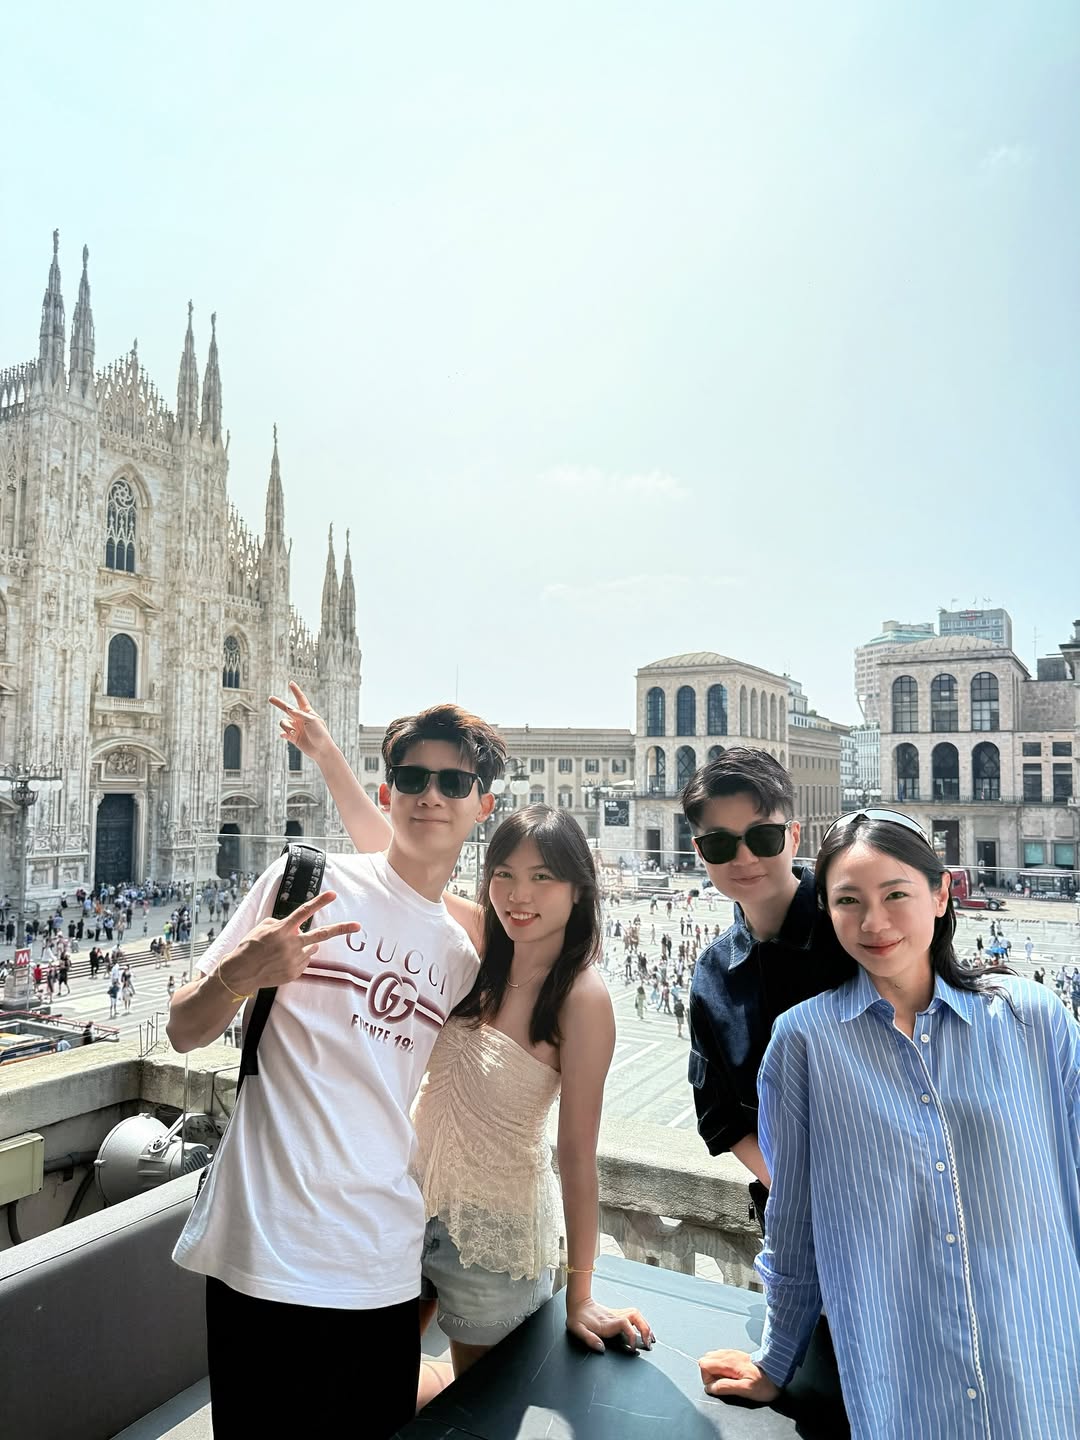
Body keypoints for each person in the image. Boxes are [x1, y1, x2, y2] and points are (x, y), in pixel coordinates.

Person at [271, 683, 652, 1404]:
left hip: (493, 1240)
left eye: (542, 878)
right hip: (404, 1213)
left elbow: (576, 1154)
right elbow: (389, 852)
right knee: (369, 1393)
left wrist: (580, 1294)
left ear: (578, 889)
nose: (518, 896)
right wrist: (326, 755)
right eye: (504, 875)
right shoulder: (484, 942)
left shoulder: (583, 998)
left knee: (480, 1412)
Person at [169, 702, 503, 1438]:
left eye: (454, 783)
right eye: (412, 778)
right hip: (262, 1249)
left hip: (380, 1265)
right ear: (386, 793)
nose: (430, 795)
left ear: (483, 805)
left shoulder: (462, 956)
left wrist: (580, 1287)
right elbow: (183, 1029)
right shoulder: (303, 883)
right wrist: (238, 974)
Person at [697, 810, 1080, 1439]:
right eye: (849, 901)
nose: (874, 922)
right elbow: (795, 1219)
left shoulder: (1032, 1020)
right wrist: (774, 1359)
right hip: (903, 1381)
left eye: (896, 894)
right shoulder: (804, 1043)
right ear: (827, 911)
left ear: (940, 893)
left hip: (1044, 1368)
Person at [684, 749, 853, 1227]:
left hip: (904, 1207)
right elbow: (720, 1115)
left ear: (794, 836)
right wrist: (800, 1192)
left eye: (762, 836)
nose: (744, 857)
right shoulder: (714, 973)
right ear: (699, 852)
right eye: (720, 844)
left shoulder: (855, 929)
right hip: (792, 1221)